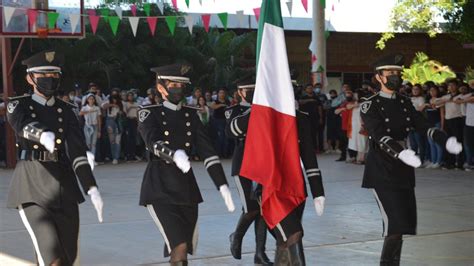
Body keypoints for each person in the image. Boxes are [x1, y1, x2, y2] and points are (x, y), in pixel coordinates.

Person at [360, 54, 462, 266]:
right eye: (390, 74)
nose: (395, 77)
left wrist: (445, 141)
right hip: (382, 168)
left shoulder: (405, 103)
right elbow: (379, 135)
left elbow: (424, 127)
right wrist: (401, 153)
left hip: (404, 169)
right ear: (379, 77)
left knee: (403, 225)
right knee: (394, 225)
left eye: (398, 73)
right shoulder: (370, 105)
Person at [5, 50, 104, 265]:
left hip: (64, 186)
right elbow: (22, 126)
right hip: (32, 184)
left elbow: (78, 152)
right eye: (43, 76)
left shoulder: (66, 110)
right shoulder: (18, 104)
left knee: (69, 257)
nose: (49, 80)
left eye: (54, 76)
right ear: (30, 78)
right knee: (52, 258)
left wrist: (91, 187)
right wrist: (42, 134)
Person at [137, 63, 235, 265]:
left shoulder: (191, 115)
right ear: (161, 87)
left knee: (182, 249)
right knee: (179, 244)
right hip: (160, 188)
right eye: (172, 84)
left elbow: (208, 153)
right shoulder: (149, 113)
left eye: (181, 85)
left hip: (186, 189)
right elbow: (152, 142)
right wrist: (173, 155)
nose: (177, 88)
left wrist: (222, 184)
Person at [225, 78, 272, 265]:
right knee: (251, 208)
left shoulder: (266, 110)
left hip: (263, 161)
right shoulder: (233, 110)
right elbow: (232, 132)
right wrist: (255, 110)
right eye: (248, 90)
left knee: (262, 209)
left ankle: (260, 253)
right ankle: (236, 236)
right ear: (240, 92)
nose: (252, 93)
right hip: (243, 161)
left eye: (255, 89)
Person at [435, 79, 465, 169]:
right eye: (449, 86)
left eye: (453, 85)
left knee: (459, 141)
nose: (451, 87)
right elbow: (435, 103)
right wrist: (446, 100)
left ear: (456, 86)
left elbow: (460, 102)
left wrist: (451, 100)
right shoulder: (446, 96)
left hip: (457, 120)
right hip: (448, 120)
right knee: (449, 142)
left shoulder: (461, 96)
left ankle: (460, 163)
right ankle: (450, 162)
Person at [101, 92, 124, 165]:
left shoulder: (121, 103)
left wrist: (120, 112)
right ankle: (113, 156)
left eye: (116, 98)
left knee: (118, 141)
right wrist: (113, 105)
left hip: (118, 120)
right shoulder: (108, 102)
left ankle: (116, 157)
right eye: (113, 98)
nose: (114, 99)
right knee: (112, 141)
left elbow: (124, 112)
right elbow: (103, 106)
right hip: (110, 120)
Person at [408, 84, 429, 166]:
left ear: (420, 90)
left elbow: (419, 109)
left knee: (420, 143)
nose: (415, 90)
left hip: (418, 124)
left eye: (417, 89)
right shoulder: (410, 98)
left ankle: (421, 160)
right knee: (413, 144)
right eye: (413, 89)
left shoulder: (421, 98)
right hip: (410, 123)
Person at [299, 84, 323, 152]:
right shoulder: (303, 97)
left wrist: (321, 117)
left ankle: (315, 148)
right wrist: (310, 100)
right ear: (306, 89)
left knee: (314, 133)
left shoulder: (316, 98)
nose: (310, 89)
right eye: (308, 88)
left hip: (315, 117)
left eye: (311, 88)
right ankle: (306, 149)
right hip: (305, 117)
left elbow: (320, 108)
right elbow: (300, 102)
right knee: (306, 133)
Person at [425, 85, 444, 168]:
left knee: (437, 143)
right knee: (431, 143)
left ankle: (438, 162)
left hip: (437, 123)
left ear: (437, 91)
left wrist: (442, 127)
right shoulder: (427, 101)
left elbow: (442, 115)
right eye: (430, 90)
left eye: (434, 90)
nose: (432, 92)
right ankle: (433, 161)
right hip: (429, 124)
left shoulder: (440, 100)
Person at [210, 89, 230, 157]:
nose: (222, 94)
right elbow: (212, 106)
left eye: (223, 93)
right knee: (219, 137)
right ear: (218, 94)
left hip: (226, 120)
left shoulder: (227, 101)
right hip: (217, 121)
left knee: (226, 137)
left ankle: (225, 153)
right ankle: (219, 153)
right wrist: (221, 105)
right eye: (220, 93)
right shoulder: (216, 101)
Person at [124, 91, 140, 161]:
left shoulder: (136, 104)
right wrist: (130, 107)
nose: (130, 97)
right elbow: (125, 112)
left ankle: (134, 154)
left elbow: (138, 113)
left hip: (134, 121)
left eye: (131, 96)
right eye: (129, 96)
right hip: (128, 120)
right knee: (128, 139)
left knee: (134, 138)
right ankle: (128, 155)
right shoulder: (125, 104)